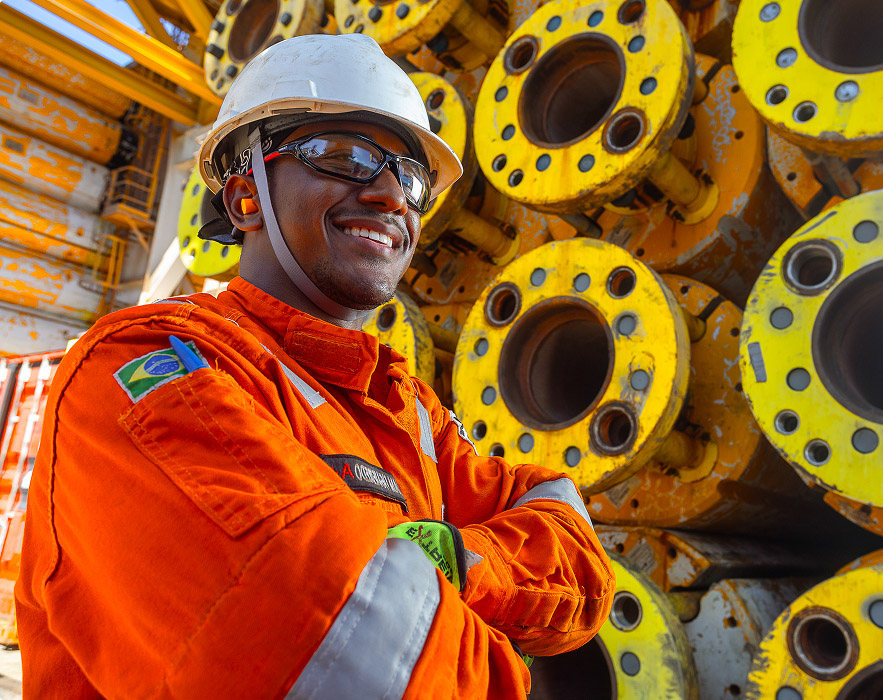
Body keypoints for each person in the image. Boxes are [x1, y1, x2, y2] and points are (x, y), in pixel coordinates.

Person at [15, 34, 615, 698]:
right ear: (246, 199)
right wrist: (494, 614)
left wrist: (453, 561)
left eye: (410, 178)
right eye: (346, 157)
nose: (391, 196)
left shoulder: (405, 404)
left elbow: (574, 548)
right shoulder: (143, 368)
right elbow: (331, 654)